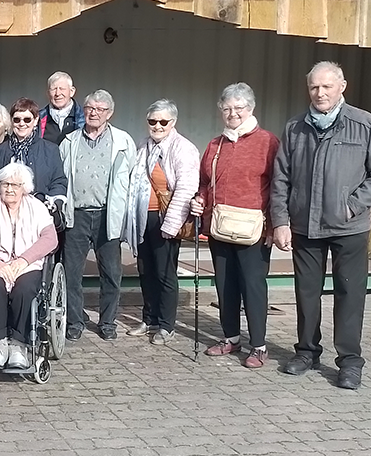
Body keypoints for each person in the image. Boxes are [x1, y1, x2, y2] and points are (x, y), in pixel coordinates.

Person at [271, 62, 371, 389]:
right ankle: (306, 352)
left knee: (350, 295)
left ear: (342, 86)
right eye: (314, 87)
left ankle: (350, 362)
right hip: (305, 226)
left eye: (327, 86)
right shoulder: (295, 127)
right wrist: (281, 221)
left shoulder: (364, 124)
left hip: (349, 227)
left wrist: (351, 205)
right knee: (306, 294)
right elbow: (281, 178)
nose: (320, 93)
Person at [191, 83, 279, 368]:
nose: (233, 113)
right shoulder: (215, 145)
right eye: (227, 108)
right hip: (220, 225)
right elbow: (205, 182)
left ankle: (259, 345)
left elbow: (279, 187)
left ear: (250, 109)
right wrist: (200, 201)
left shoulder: (268, 142)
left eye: (238, 108)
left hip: (253, 229)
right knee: (225, 284)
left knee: (253, 286)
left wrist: (274, 226)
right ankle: (231, 337)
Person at [59, 90, 134, 342]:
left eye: (100, 109)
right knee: (71, 274)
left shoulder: (123, 141)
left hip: (106, 215)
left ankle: (108, 322)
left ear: (109, 113)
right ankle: (74, 322)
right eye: (90, 108)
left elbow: (131, 179)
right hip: (77, 215)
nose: (94, 113)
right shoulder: (69, 141)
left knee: (111, 274)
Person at [124, 99, 199, 346]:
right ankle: (150, 319)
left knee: (165, 273)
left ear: (173, 122)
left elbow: (186, 188)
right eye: (152, 121)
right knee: (146, 271)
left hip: (166, 218)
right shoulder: (143, 146)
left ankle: (167, 325)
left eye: (163, 122)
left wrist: (171, 225)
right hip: (143, 217)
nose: (157, 126)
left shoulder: (183, 148)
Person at [0, 162, 58, 369]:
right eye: (5, 184)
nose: (9, 189)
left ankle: (19, 345)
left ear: (24, 187)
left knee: (25, 289)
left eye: (15, 185)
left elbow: (50, 239)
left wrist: (24, 260)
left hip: (27, 265)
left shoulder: (36, 208)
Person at [0, 98, 67, 205]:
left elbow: (58, 182)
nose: (22, 124)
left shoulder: (50, 150)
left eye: (27, 119)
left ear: (35, 120)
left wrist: (51, 203)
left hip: (39, 210)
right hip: (4, 210)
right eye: (17, 119)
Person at [38, 71, 85, 144]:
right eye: (53, 89)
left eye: (62, 89)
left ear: (72, 91)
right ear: (48, 93)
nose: (57, 93)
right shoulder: (38, 118)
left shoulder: (84, 118)